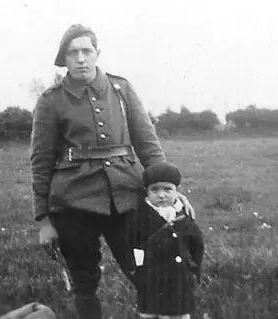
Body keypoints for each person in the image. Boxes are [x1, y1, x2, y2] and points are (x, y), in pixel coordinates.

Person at [30, 24, 195, 319]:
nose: (80, 59)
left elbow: (146, 141)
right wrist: (44, 219)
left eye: (86, 51)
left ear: (97, 54)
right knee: (84, 282)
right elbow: (41, 161)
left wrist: (169, 188)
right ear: (63, 59)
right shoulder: (51, 101)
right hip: (73, 203)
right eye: (73, 53)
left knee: (149, 270)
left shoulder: (121, 89)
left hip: (126, 196)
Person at [128, 161, 205, 319]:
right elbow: (132, 245)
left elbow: (197, 245)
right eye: (154, 189)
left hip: (179, 281)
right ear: (146, 191)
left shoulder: (183, 218)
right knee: (150, 312)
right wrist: (137, 270)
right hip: (151, 279)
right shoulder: (141, 218)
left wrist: (194, 269)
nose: (161, 195)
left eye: (168, 189)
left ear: (177, 191)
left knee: (178, 313)